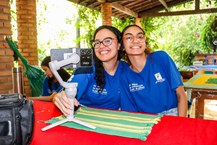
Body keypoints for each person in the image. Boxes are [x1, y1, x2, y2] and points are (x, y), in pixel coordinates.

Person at [53, 25, 128, 116]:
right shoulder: (86, 68)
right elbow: (64, 93)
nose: (101, 46)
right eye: (97, 43)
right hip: (85, 120)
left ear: (119, 45)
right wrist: (60, 97)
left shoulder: (127, 69)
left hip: (114, 121)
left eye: (108, 41)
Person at [120, 24, 188, 117]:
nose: (135, 40)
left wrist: (181, 124)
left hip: (173, 115)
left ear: (145, 42)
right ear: (122, 46)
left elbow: (181, 94)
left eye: (140, 37)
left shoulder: (161, 58)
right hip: (145, 120)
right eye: (129, 38)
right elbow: (130, 112)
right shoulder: (125, 76)